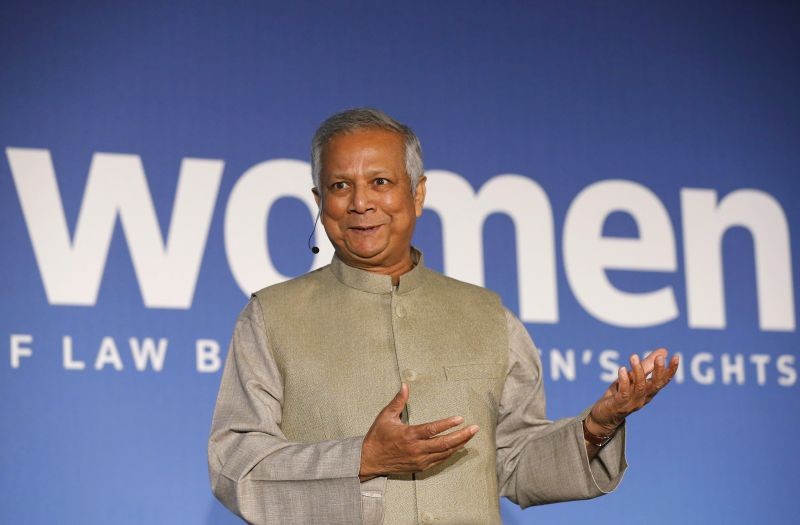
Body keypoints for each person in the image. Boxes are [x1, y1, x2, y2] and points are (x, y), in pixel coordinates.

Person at [208, 108, 679, 525]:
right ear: (319, 200)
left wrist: (596, 427)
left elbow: (513, 463)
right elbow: (236, 467)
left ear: (417, 194)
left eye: (380, 182)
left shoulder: (490, 317)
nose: (360, 203)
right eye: (339, 186)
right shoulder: (271, 317)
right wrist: (361, 459)